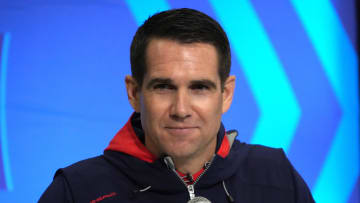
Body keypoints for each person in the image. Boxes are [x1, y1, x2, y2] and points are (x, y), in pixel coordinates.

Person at [39, 8, 315, 203]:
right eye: (163, 87)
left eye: (199, 88)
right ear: (134, 92)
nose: (181, 109)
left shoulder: (276, 175)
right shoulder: (77, 191)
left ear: (226, 94)